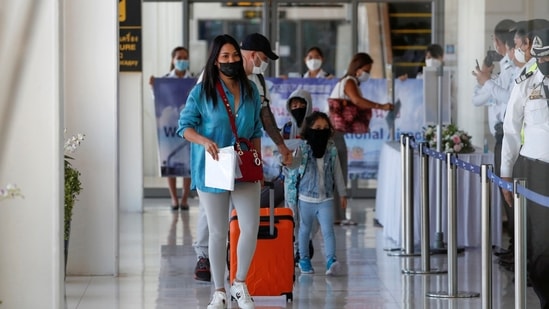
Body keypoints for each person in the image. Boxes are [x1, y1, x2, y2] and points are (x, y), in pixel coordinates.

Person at [191, 32, 290, 282]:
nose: (264, 62)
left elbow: (262, 120)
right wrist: (205, 142)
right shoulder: (209, 80)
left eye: (233, 55)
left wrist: (271, 152)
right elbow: (194, 118)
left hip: (241, 158)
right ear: (255, 55)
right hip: (216, 159)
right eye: (264, 58)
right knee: (213, 215)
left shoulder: (255, 82)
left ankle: (237, 274)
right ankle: (205, 258)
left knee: (244, 217)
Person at [177, 34, 262, 309]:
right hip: (213, 164)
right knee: (217, 232)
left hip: (243, 165)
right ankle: (219, 290)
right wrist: (204, 141)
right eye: (224, 56)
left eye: (235, 55)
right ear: (215, 60)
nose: (231, 61)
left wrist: (257, 161)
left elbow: (256, 130)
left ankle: (239, 283)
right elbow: (184, 126)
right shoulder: (202, 92)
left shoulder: (251, 90)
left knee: (250, 226)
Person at [500, 22, 549, 308]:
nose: (543, 63)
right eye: (540, 58)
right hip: (538, 171)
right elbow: (510, 128)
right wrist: (506, 172)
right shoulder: (526, 80)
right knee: (542, 245)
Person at [328, 52, 393, 225]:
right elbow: (357, 101)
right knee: (339, 174)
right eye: (366, 70)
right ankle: (337, 216)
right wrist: (381, 106)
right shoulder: (349, 81)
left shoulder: (348, 81)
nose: (367, 74)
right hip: (334, 134)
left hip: (335, 134)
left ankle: (337, 215)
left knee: (338, 173)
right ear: (357, 69)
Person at [471, 19, 517, 259]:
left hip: (510, 134)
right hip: (501, 134)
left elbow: (509, 98)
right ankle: (514, 247)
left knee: (511, 191)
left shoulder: (514, 68)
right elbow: (477, 99)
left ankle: (519, 249)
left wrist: (487, 82)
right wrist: (484, 78)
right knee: (505, 190)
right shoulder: (503, 68)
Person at [284, 111, 347, 275]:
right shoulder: (303, 148)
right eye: (317, 127)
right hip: (305, 198)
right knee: (304, 230)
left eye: (325, 127)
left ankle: (331, 260)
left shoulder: (331, 149)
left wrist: (343, 193)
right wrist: (288, 160)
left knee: (328, 230)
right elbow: (294, 164)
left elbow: (337, 172)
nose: (322, 130)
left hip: (326, 198)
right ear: (309, 129)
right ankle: (303, 259)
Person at [149, 46, 193, 211]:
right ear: (173, 60)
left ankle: (185, 199)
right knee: (170, 162)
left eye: (185, 57)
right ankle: (174, 199)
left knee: (188, 163)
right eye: (179, 57)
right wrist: (153, 86)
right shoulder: (165, 80)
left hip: (188, 126)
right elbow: (158, 100)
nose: (182, 60)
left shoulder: (194, 80)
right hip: (169, 127)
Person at [281, 89, 318, 262]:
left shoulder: (315, 126)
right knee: (292, 214)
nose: (297, 108)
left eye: (301, 105)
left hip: (311, 178)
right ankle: (297, 248)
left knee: (309, 215)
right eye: (294, 105)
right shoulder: (287, 128)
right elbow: (280, 149)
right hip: (291, 178)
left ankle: (307, 240)